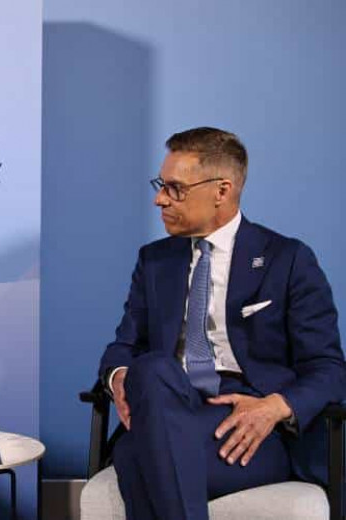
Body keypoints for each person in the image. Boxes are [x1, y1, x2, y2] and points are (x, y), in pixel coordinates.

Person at [99, 127, 346, 520]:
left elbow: (328, 367)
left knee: (133, 455)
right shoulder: (155, 260)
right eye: (161, 185)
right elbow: (123, 346)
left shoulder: (287, 259)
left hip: (250, 425)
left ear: (222, 191)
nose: (160, 199)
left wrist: (275, 407)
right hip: (169, 402)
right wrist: (118, 378)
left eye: (176, 188)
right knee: (150, 367)